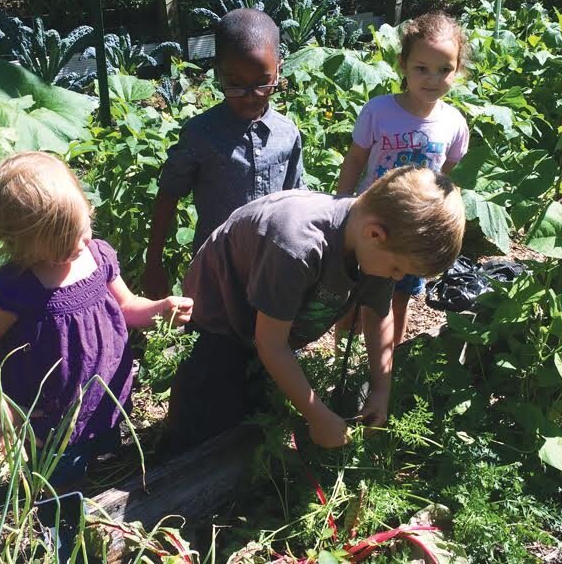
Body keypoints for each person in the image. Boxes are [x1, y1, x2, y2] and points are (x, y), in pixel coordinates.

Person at [164, 166, 465, 454]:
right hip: (220, 314)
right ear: (375, 234)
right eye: (398, 269)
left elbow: (377, 315)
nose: (397, 279)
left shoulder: (374, 246)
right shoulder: (298, 247)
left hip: (273, 319)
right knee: (203, 411)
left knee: (256, 406)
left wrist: (380, 389)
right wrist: (317, 415)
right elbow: (270, 343)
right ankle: (170, 467)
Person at [0, 152, 193, 485]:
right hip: (49, 424)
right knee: (57, 489)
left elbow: (126, 306)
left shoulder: (97, 255)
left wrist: (159, 310)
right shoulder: (15, 288)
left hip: (104, 400)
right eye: (62, 243)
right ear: (21, 243)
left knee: (103, 468)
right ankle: (59, 524)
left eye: (82, 230)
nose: (80, 244)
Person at [144, 8, 305, 298]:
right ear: (218, 72)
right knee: (215, 341)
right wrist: (153, 262)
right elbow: (168, 193)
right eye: (235, 84)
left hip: (272, 270)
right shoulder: (200, 134)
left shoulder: (287, 133)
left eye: (262, 83)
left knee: (268, 340)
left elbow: (299, 200)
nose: (249, 95)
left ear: (278, 69)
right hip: (216, 273)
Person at [336, 12, 470, 346]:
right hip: (371, 222)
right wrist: (340, 203)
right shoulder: (379, 111)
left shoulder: (454, 124)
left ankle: (389, 357)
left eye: (444, 70)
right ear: (403, 65)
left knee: (401, 296)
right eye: (421, 68)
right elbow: (355, 159)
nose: (432, 79)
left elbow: (446, 176)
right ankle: (343, 354)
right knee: (354, 293)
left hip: (415, 229)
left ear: (457, 70)